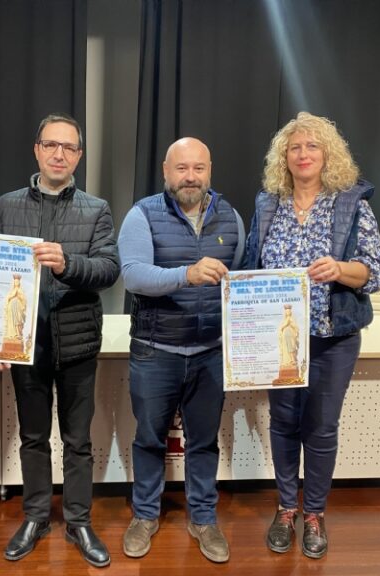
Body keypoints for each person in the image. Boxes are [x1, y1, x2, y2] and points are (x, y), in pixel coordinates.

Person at [243, 112, 380, 559]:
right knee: (284, 424)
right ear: (283, 158)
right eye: (294, 148)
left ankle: (315, 513)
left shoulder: (351, 203)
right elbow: (251, 265)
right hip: (279, 338)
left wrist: (341, 270)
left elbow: (375, 272)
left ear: (328, 154)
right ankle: (287, 507)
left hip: (333, 337)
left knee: (321, 429)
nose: (303, 154)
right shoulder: (268, 204)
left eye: (312, 147)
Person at [0, 113, 120, 568]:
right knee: (32, 437)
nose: (59, 153)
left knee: (78, 439)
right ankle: (36, 515)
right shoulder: (5, 206)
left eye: (68, 147)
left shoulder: (96, 208)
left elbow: (108, 269)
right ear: (37, 150)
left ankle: (79, 520)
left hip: (78, 342)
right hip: (25, 345)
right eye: (50, 145)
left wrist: (67, 264)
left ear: (79, 156)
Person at [117, 137, 245, 564]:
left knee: (204, 442)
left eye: (199, 168)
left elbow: (242, 282)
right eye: (182, 168)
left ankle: (203, 518)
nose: (191, 177)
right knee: (150, 439)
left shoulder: (231, 216)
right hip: (156, 351)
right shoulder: (142, 214)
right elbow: (133, 276)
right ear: (165, 171)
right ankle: (145, 515)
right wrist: (186, 275)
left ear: (210, 170)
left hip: (211, 351)